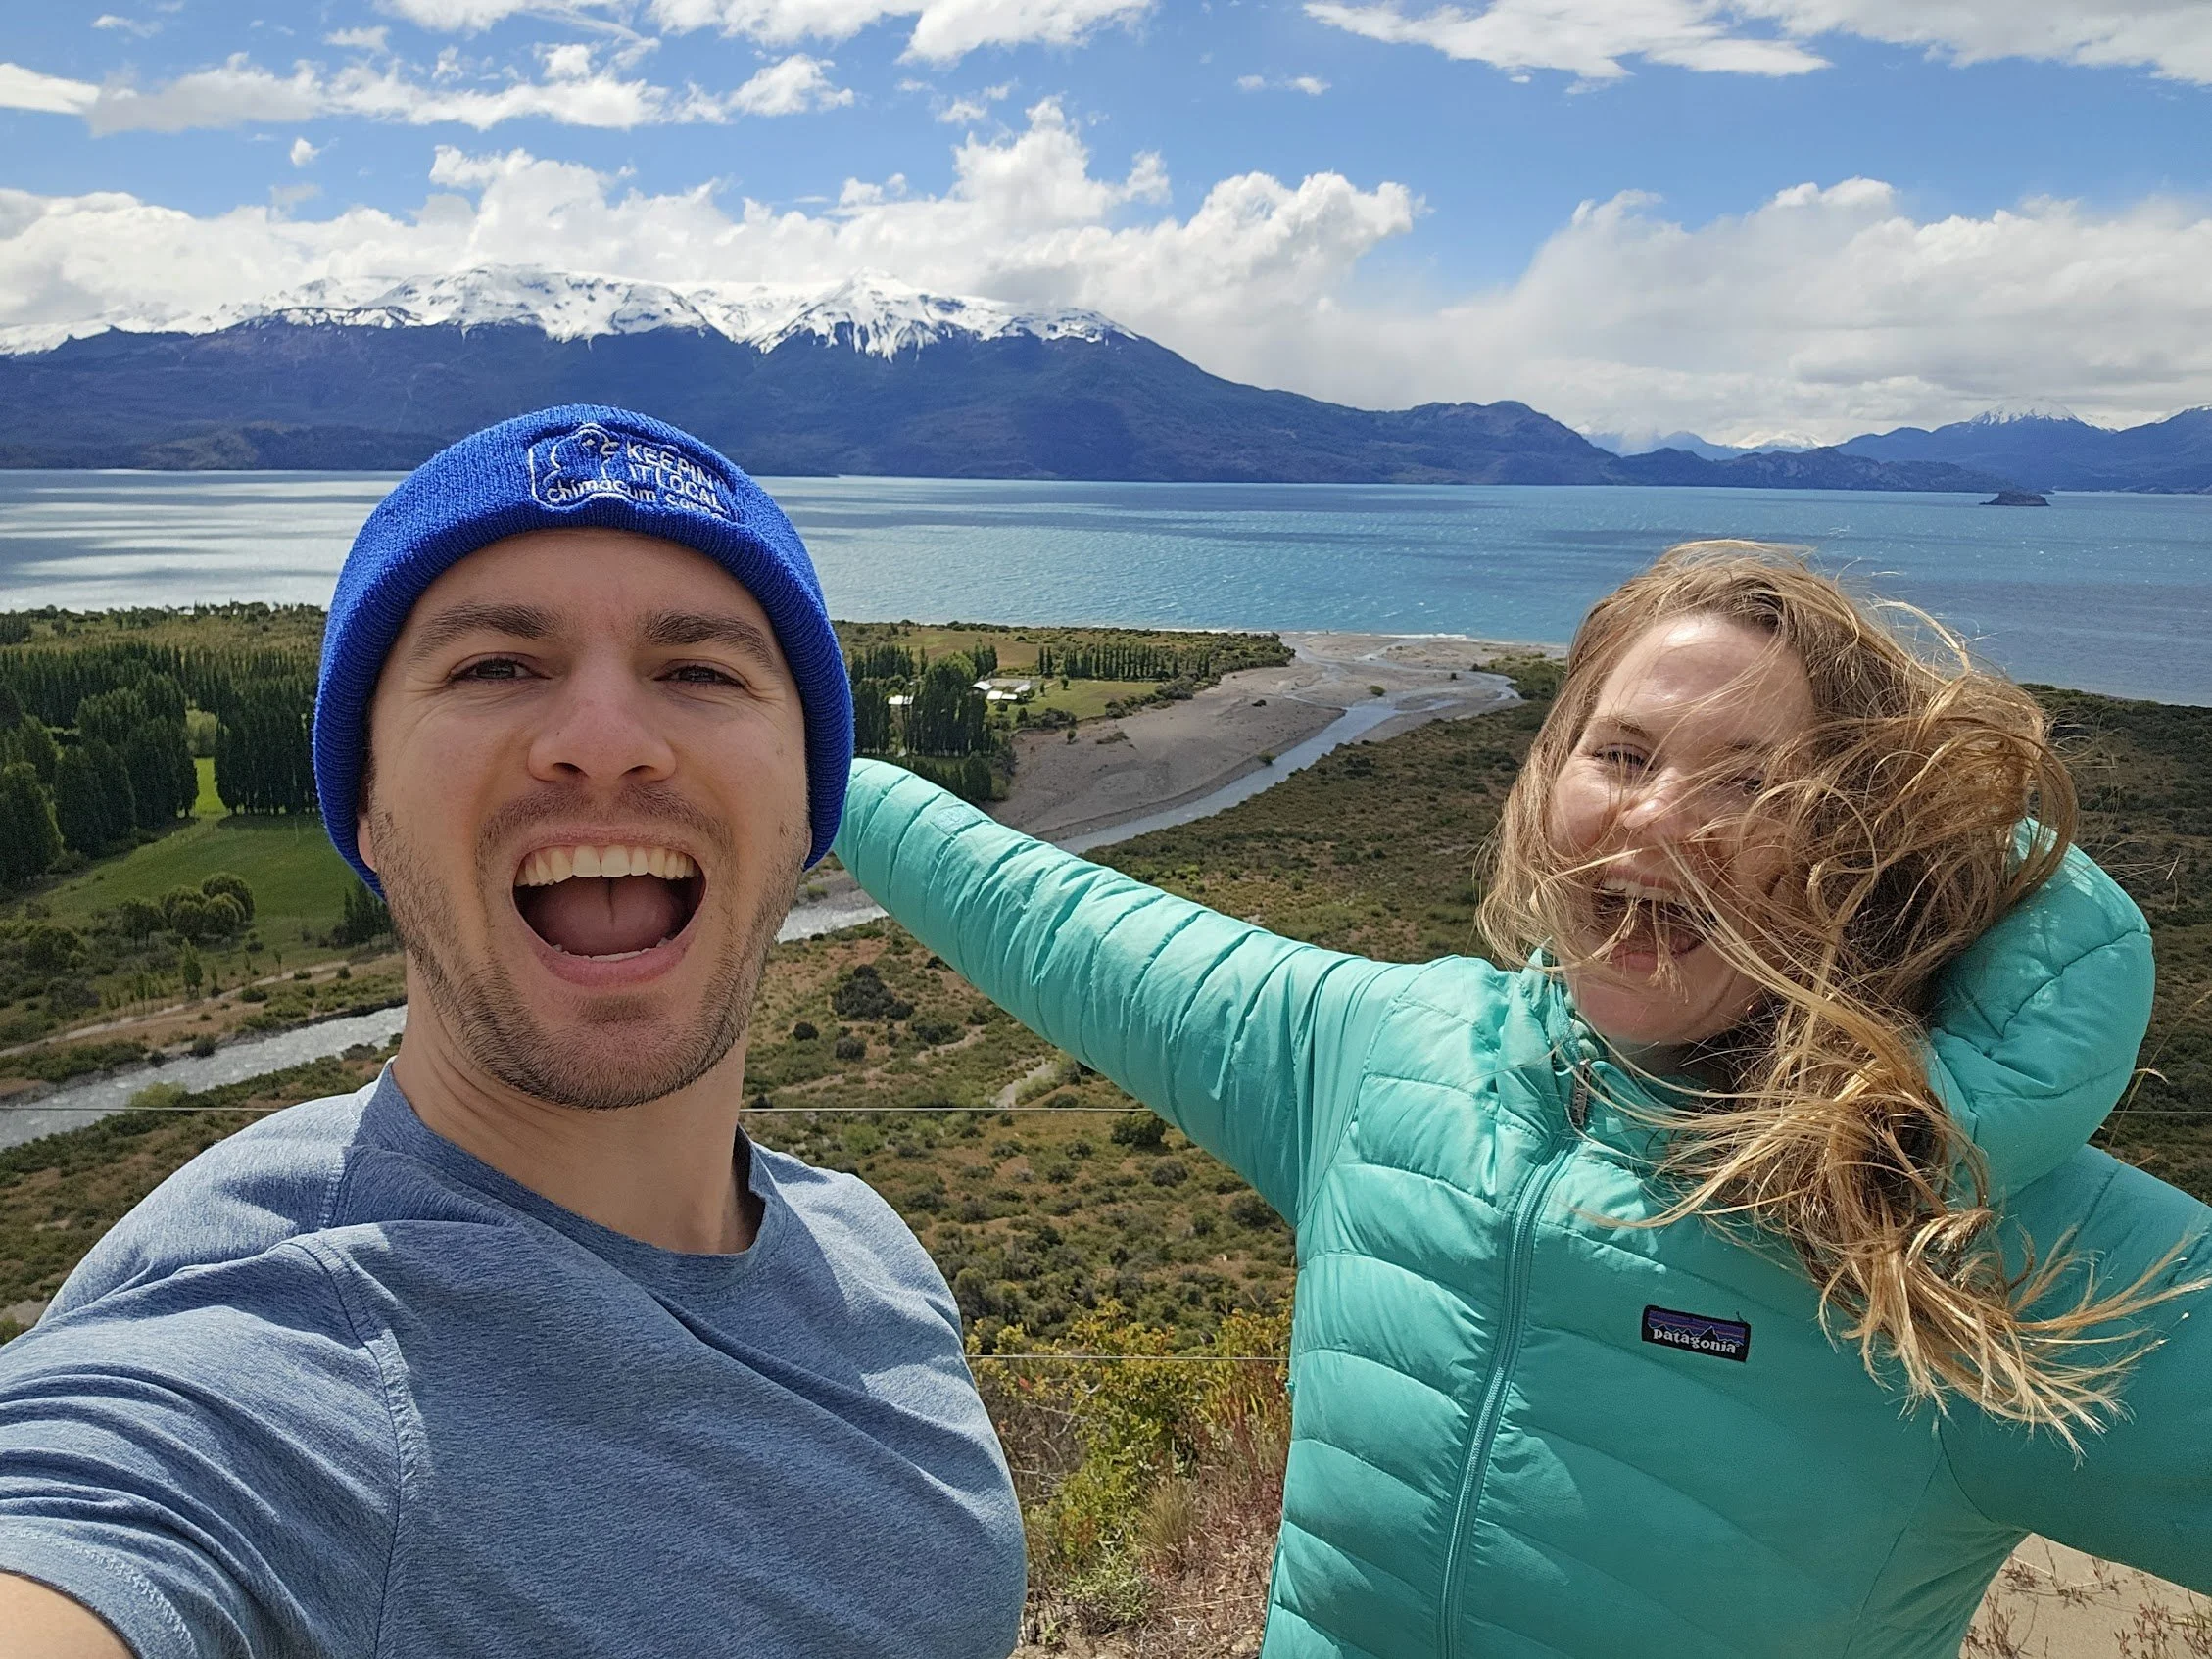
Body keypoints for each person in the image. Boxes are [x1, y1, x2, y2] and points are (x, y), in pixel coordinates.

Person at [834, 543, 2212, 1659]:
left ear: (1847, 849)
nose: (1657, 817)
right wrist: (814, 775)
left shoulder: (1949, 1219)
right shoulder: (1383, 1052)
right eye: (1619, 753)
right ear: (1541, 779)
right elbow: (1064, 925)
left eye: (1749, 782)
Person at [0, 407, 1027, 1659]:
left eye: (699, 670)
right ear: (368, 815)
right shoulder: (266, 1362)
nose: (603, 742)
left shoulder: (869, 1252)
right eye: (495, 666)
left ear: (808, 809)